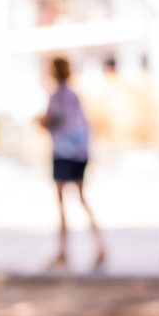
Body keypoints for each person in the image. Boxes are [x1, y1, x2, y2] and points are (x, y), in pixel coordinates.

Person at [38, 57, 107, 270]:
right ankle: (97, 246)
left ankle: (64, 250)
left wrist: (40, 121)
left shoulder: (58, 96)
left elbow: (54, 120)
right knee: (80, 199)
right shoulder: (74, 95)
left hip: (64, 152)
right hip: (78, 152)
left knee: (63, 203)